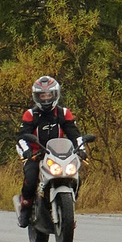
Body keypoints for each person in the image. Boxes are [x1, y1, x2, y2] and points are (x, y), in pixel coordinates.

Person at [15, 75, 85, 226]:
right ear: (36, 96)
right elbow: (21, 138)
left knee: (77, 177)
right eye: (42, 95)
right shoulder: (30, 114)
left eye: (48, 95)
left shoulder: (64, 113)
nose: (46, 99)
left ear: (55, 95)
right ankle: (25, 206)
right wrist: (27, 152)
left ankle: (69, 209)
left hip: (60, 155)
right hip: (37, 156)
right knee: (31, 178)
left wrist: (81, 149)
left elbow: (75, 134)